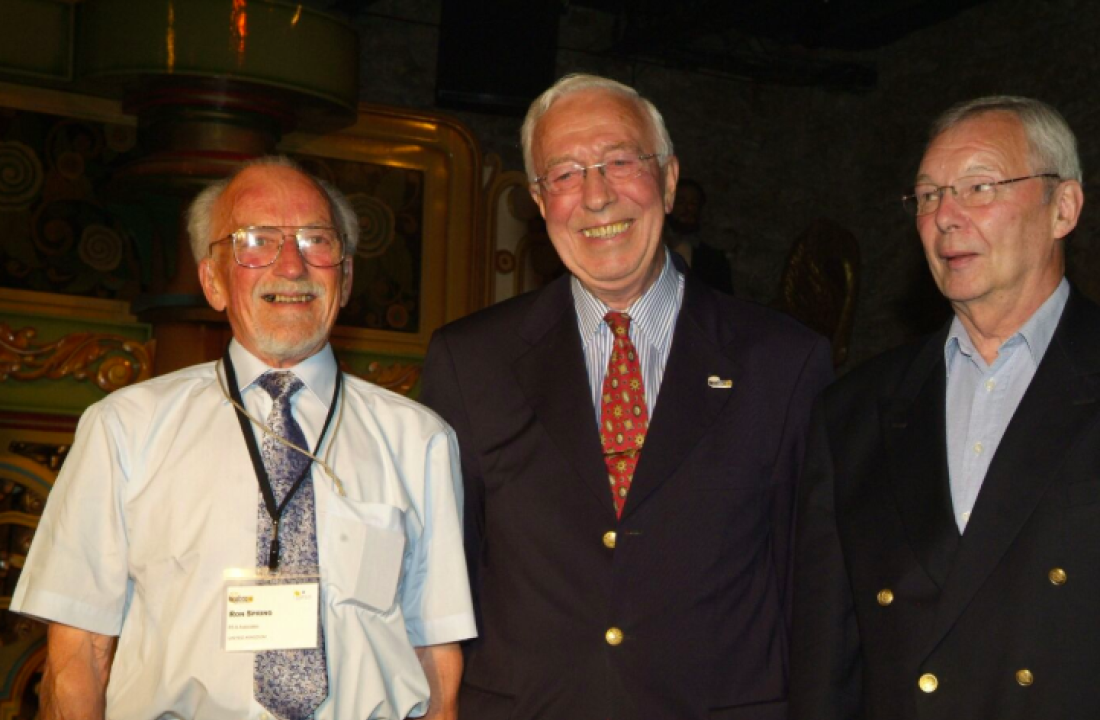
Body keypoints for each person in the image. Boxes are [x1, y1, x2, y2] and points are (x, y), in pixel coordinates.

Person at [789, 96, 1100, 720]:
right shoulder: (852, 413)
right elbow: (826, 670)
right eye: (928, 195)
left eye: (979, 187)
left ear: (1063, 208)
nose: (946, 217)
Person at [419, 73, 832, 720]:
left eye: (619, 162)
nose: (596, 196)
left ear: (668, 180)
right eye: (564, 173)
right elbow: (442, 575)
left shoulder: (783, 361)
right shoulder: (469, 362)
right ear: (536, 199)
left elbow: (810, 587)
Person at [12, 157, 476, 720]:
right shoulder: (124, 429)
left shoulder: (419, 440)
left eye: (315, 241)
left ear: (346, 278)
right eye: (256, 241)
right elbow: (77, 657)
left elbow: (436, 659)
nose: (291, 266)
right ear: (212, 280)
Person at [666, 179, 736, 295]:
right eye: (680, 202)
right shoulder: (650, 248)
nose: (687, 208)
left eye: (693, 203)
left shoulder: (715, 261)